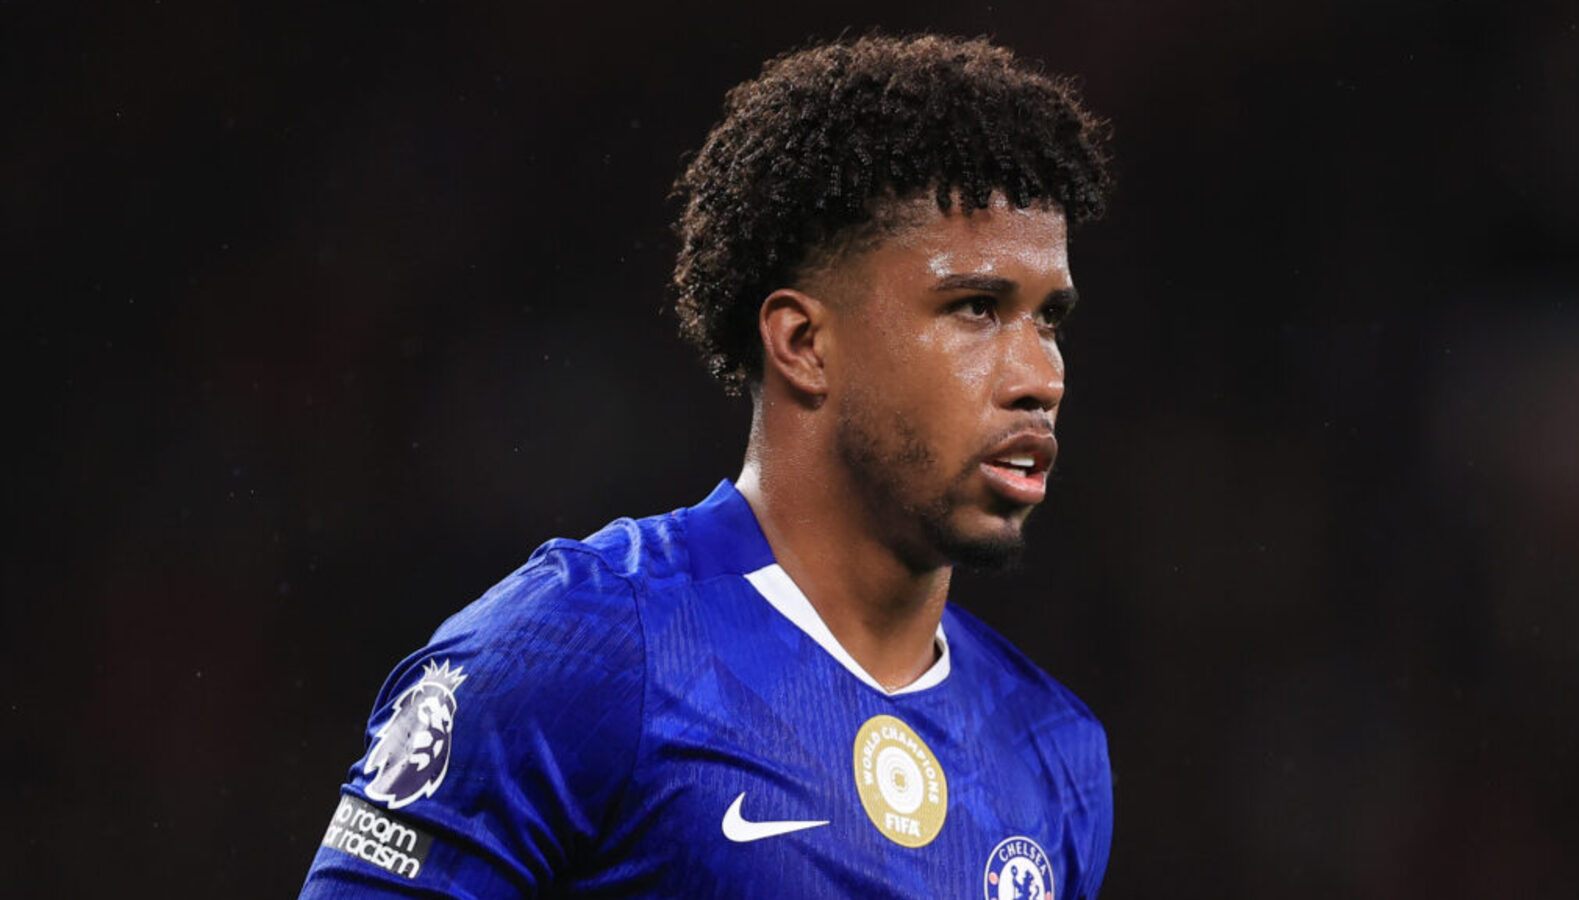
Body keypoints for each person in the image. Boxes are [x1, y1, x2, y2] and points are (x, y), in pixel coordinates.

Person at [299, 32, 1115, 899]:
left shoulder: (1055, 754)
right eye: (977, 308)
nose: (1042, 377)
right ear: (804, 343)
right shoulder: (581, 651)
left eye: (1049, 320)